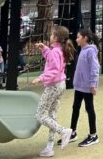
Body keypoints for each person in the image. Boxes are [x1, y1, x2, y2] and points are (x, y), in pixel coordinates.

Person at [32, 25, 76, 157]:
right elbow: (51, 58)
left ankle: (63, 131)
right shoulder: (58, 49)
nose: (49, 36)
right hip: (60, 85)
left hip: (54, 86)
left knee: (40, 115)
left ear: (56, 37)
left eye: (51, 35)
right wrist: (44, 48)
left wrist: (41, 78)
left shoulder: (56, 51)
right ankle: (50, 147)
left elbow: (54, 68)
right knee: (51, 115)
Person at [63, 28, 100, 148]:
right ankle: (72, 132)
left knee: (89, 109)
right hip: (79, 86)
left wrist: (93, 85)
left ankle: (93, 135)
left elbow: (95, 69)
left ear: (85, 38)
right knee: (75, 108)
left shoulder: (90, 51)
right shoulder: (83, 50)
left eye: (78, 37)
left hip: (87, 87)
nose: (76, 39)